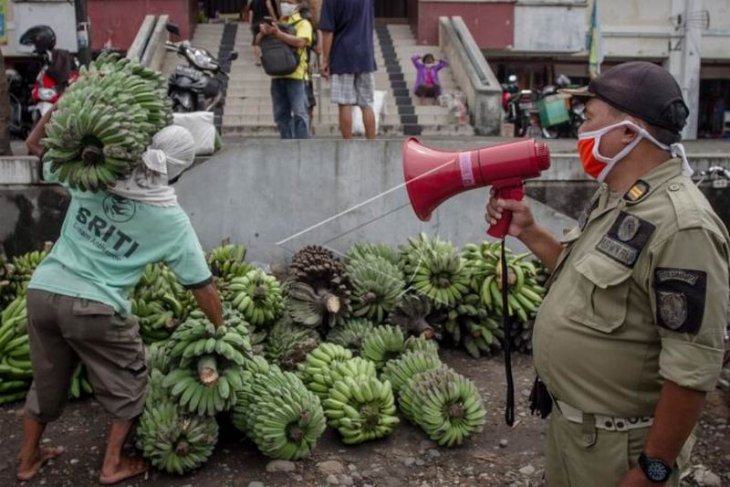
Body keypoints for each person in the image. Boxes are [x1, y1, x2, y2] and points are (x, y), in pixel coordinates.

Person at [486, 61, 729, 486]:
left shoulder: (683, 226)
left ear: (629, 132)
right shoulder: (618, 196)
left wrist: (652, 470)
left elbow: (691, 372)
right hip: (575, 433)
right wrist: (528, 230)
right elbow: (582, 273)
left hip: (622, 450)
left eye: (589, 119)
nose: (580, 130)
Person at [19, 112, 224, 484]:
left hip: (44, 292)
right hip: (95, 306)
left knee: (46, 379)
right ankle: (112, 465)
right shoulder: (169, 218)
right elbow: (202, 285)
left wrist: (61, 109)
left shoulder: (95, 177)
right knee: (130, 382)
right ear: (178, 170)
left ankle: (28, 459)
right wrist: (219, 326)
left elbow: (35, 146)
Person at [319, 0, 377, 139]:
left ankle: (347, 145)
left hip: (342, 54)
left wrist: (325, 60)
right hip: (365, 54)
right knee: (366, 103)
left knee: (344, 102)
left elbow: (328, 32)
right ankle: (372, 143)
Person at [257, 0, 313, 139]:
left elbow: (301, 41)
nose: (285, 4)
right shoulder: (277, 23)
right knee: (280, 114)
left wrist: (278, 34)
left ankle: (302, 148)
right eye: (283, 1)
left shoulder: (303, 23)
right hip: (277, 74)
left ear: (298, 4)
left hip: (297, 75)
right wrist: (263, 33)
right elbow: (257, 41)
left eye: (289, 1)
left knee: (300, 113)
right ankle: (286, 146)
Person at [248, 0, 279, 66]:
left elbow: (251, 14)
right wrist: (275, 19)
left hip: (255, 23)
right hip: (265, 21)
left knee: (256, 41)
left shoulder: (253, 2)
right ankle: (270, 58)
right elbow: (269, 7)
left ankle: (257, 60)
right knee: (269, 40)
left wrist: (250, 25)